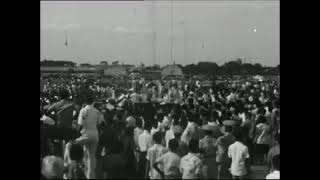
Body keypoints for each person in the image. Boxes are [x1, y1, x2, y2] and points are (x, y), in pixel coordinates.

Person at [75, 94, 104, 179]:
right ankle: (90, 176)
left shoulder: (83, 110)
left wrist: (75, 134)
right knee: (91, 156)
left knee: (71, 145)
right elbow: (99, 124)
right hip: (95, 135)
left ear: (85, 102)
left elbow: (80, 125)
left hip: (85, 135)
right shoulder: (97, 111)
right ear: (93, 101)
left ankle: (77, 169)